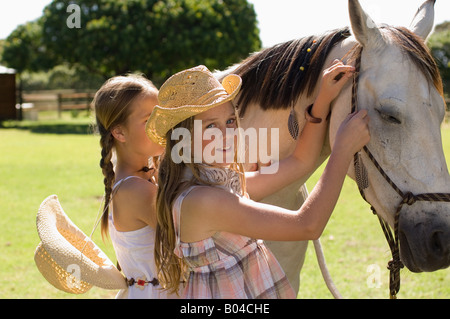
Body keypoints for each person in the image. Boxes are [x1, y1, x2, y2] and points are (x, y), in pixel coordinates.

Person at [146, 64, 370, 298]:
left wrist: (322, 100)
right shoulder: (204, 200)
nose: (226, 134)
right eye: (211, 126)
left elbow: (299, 162)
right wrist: (343, 150)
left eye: (230, 121)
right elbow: (308, 225)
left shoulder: (217, 185)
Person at [93, 74, 179, 298]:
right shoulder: (135, 190)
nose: (161, 126)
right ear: (119, 132)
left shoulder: (138, 179)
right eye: (149, 120)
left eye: (162, 116)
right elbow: (191, 238)